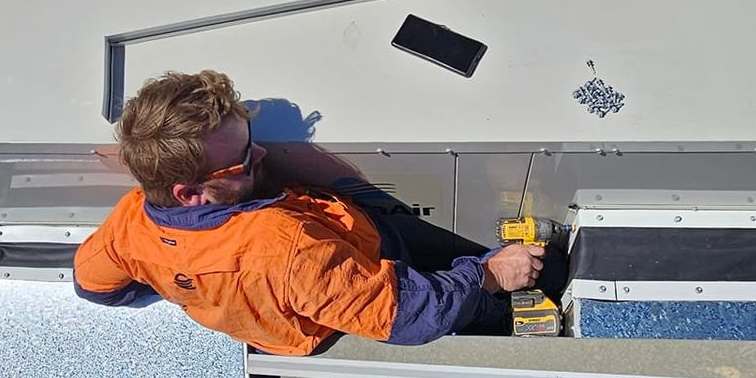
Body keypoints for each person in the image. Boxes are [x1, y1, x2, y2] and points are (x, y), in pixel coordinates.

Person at [75, 70, 545, 355]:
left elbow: (92, 286)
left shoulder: (128, 226)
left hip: (292, 309)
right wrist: (490, 275)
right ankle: (497, 315)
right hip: (357, 288)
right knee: (477, 299)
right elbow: (408, 312)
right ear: (191, 193)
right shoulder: (285, 250)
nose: (263, 155)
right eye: (244, 160)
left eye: (251, 139)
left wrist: (182, 283)